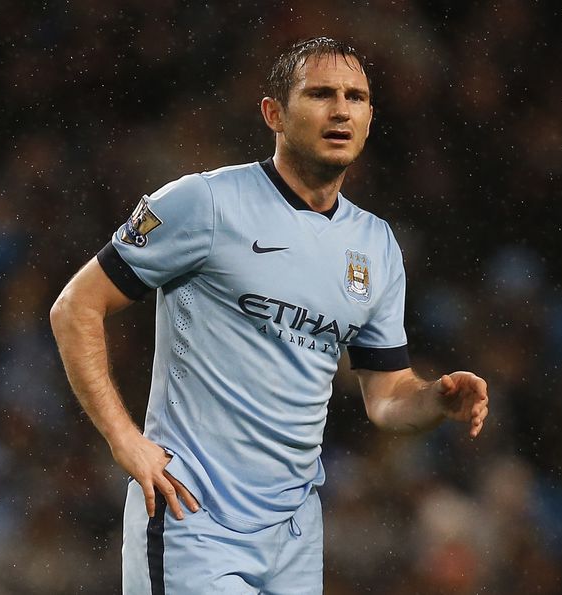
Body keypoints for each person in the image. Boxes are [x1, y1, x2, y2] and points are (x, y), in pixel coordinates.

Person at [50, 37, 489, 594]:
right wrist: (124, 439)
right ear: (273, 112)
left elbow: (385, 395)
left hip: (295, 533)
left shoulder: (376, 246)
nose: (340, 110)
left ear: (370, 118)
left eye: (355, 97)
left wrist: (434, 399)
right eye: (321, 94)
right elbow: (76, 307)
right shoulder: (204, 203)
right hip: (193, 518)